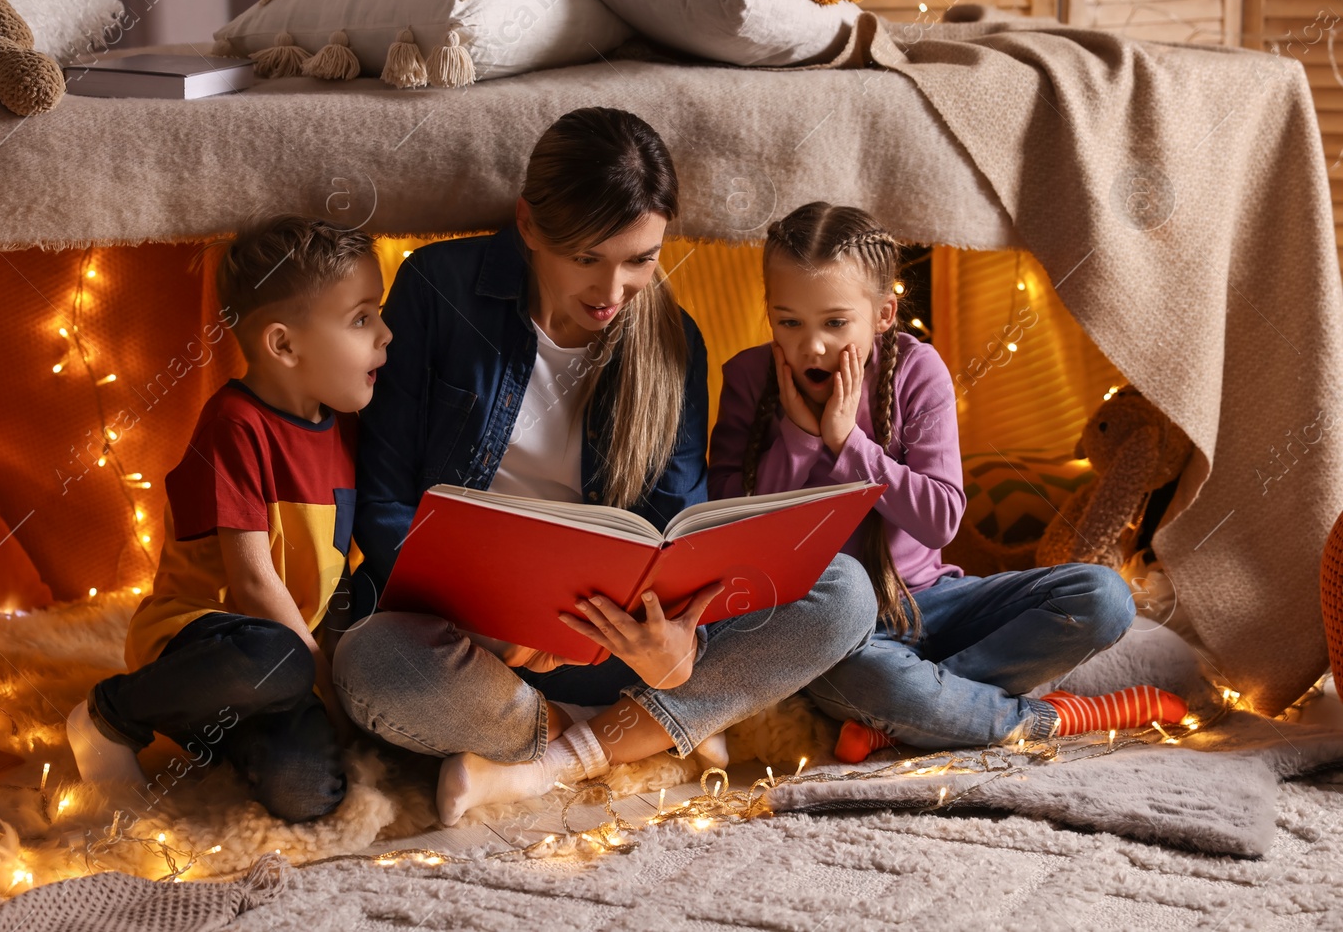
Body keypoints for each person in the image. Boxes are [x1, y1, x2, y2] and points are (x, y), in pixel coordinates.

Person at [333, 108, 877, 825]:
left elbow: (671, 530)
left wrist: (673, 645)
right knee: (370, 660)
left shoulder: (674, 339)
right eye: (586, 257)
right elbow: (385, 500)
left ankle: (560, 749)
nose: (613, 290)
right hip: (470, 647)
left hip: (618, 644)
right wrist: (490, 623)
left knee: (844, 591)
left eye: (641, 259)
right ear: (528, 226)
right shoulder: (438, 287)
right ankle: (625, 731)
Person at [708, 201, 1187, 763]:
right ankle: (1049, 718)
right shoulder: (746, 378)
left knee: (1104, 598)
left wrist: (850, 445)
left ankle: (917, 713)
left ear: (884, 313)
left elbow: (939, 519)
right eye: (789, 322)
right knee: (863, 681)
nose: (812, 346)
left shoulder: (916, 369)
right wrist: (800, 438)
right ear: (769, 311)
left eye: (835, 323)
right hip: (836, 634)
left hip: (931, 602)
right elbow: (739, 532)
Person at [65, 215, 391, 822]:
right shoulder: (234, 426)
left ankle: (215, 734)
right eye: (361, 318)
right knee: (276, 659)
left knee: (310, 795)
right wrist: (327, 690)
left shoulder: (345, 424)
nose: (386, 335)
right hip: (207, 638)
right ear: (283, 345)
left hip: (285, 659)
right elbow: (253, 584)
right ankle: (111, 715)